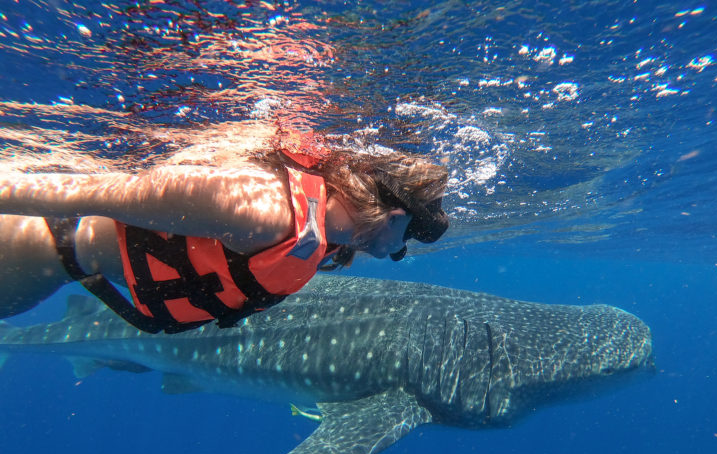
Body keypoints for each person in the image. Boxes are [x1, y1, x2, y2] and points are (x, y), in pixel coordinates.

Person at [0, 131, 448, 333]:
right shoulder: (261, 209)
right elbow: (82, 191)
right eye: (403, 245)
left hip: (55, 267)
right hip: (35, 245)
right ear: (394, 217)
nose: (394, 253)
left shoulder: (319, 232)